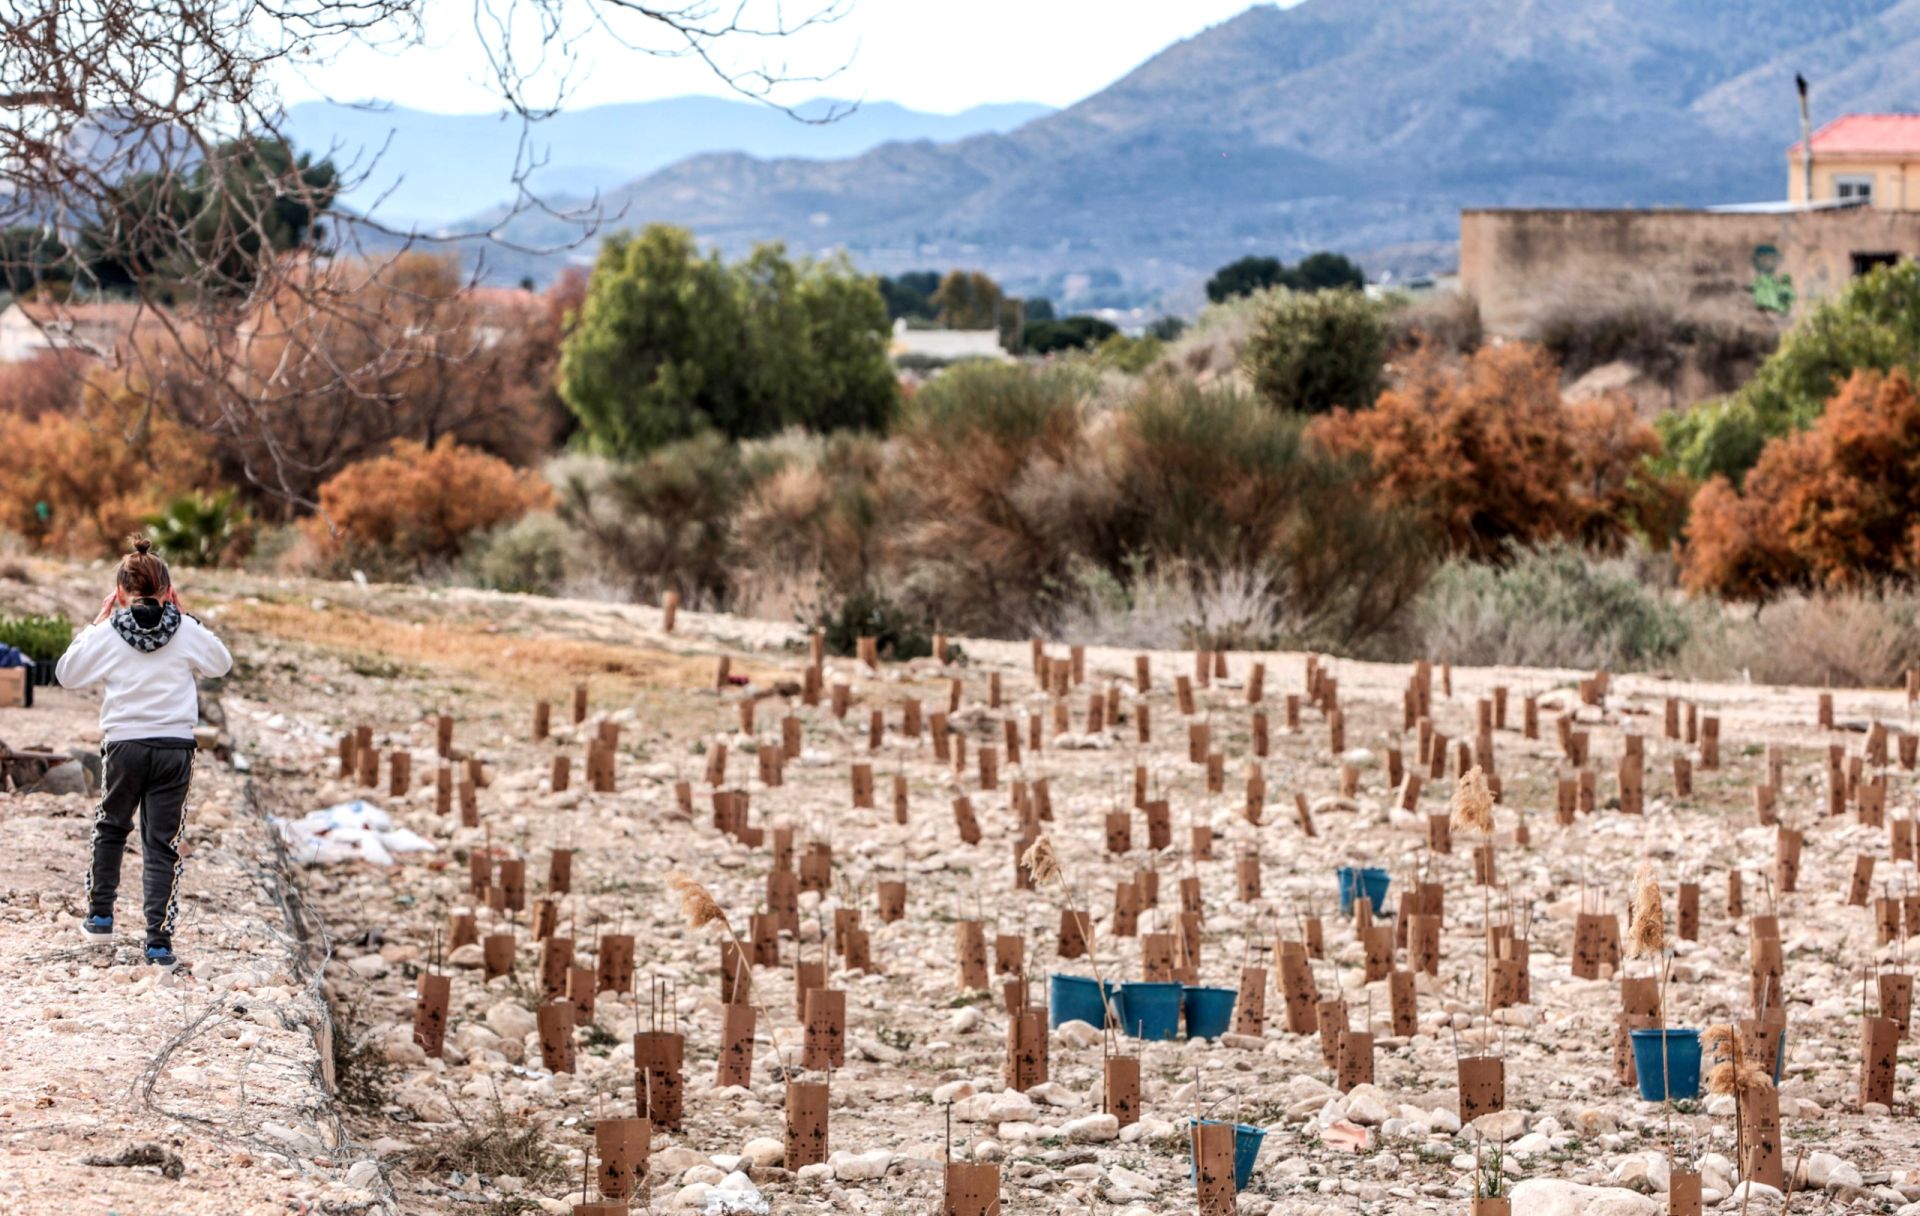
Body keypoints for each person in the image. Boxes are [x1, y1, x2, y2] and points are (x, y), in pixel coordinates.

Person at [55, 537, 231, 970]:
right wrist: (187, 616)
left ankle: (100, 916)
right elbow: (221, 663)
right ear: (169, 592)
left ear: (118, 595)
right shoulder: (185, 629)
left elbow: (66, 674)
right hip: (175, 748)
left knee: (111, 826)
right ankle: (158, 944)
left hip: (124, 745)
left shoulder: (110, 631)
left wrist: (96, 625)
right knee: (162, 844)